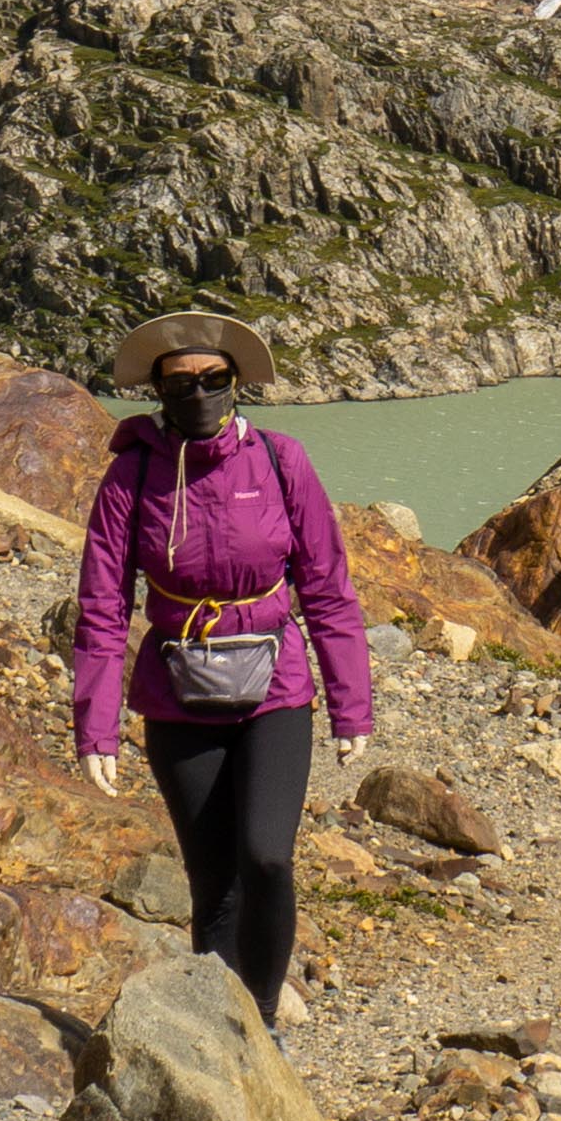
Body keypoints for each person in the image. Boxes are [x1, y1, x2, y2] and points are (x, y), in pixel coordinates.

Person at [66, 306, 376, 1023]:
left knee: (267, 857)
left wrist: (349, 703)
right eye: (180, 385)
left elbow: (327, 586)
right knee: (214, 886)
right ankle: (221, 1028)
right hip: (179, 697)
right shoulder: (131, 478)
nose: (198, 395)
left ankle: (262, 1020)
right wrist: (97, 727)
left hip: (277, 688)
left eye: (212, 380)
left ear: (237, 383)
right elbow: (103, 608)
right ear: (159, 394)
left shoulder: (279, 460)